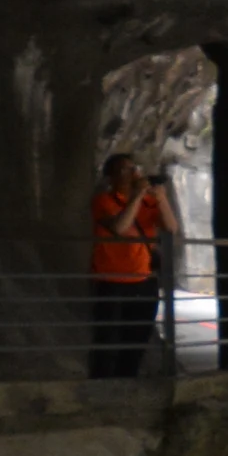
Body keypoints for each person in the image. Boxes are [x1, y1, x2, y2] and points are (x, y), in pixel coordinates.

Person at [89, 146, 174, 378]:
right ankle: (102, 386)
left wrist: (161, 198)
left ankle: (128, 382)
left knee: (136, 338)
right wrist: (137, 196)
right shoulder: (103, 201)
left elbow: (171, 227)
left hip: (142, 280)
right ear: (112, 177)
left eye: (133, 169)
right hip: (111, 281)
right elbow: (120, 227)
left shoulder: (148, 202)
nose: (132, 174)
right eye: (124, 170)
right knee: (107, 340)